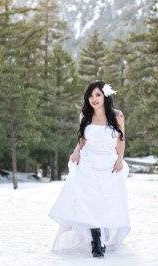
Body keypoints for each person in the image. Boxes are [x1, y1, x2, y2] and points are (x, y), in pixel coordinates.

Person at [48, 80, 131, 258]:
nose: (94, 99)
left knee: (105, 201)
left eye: (98, 95)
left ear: (105, 97)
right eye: (91, 96)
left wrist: (120, 159)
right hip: (88, 163)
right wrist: (76, 152)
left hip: (108, 163)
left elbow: (121, 140)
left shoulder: (117, 116)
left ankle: (105, 235)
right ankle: (96, 240)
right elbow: (82, 139)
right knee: (89, 202)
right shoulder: (84, 115)